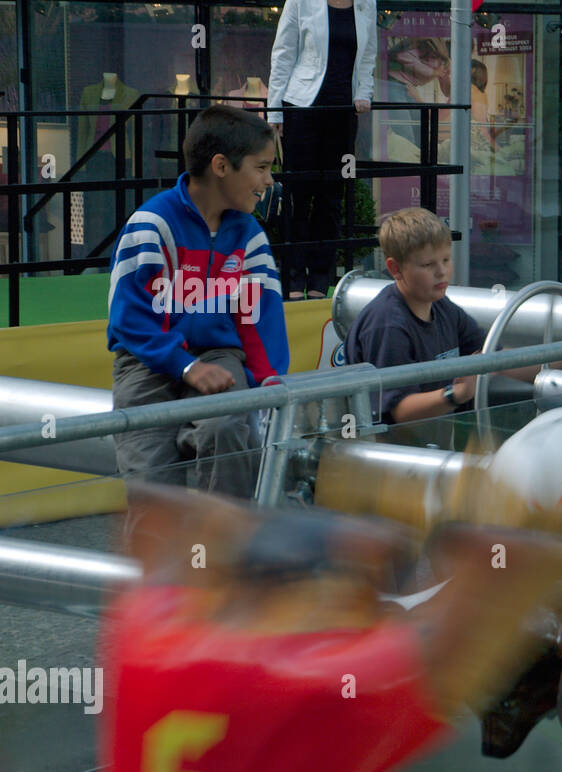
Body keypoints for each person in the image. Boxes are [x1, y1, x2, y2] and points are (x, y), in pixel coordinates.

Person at [100, 486, 562, 772]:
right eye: (362, 598)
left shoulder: (142, 632)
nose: (374, 616)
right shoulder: (314, 692)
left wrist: (256, 532)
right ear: (318, 598)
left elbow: (157, 520)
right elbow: (509, 573)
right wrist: (514, 511)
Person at [107, 104, 288, 505]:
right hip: (145, 360)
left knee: (227, 429)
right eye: (261, 168)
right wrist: (185, 367)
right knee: (151, 475)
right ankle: (163, 561)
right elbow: (129, 319)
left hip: (220, 354)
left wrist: (270, 383)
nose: (268, 180)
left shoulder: (250, 235)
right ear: (221, 166)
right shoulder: (151, 224)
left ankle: (223, 553)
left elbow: (258, 320)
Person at [268, 0, 378, 300]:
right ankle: (292, 281)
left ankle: (320, 281)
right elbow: (283, 55)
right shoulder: (301, 2)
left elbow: (368, 56)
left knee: (332, 196)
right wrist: (275, 113)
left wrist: (363, 93)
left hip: (344, 114)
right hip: (301, 108)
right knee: (298, 197)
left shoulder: (367, 4)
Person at [344, 208, 486, 425]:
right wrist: (457, 394)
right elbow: (398, 410)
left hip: (431, 446)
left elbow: (492, 354)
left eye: (446, 260)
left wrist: (551, 361)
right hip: (392, 453)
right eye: (428, 264)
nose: (442, 272)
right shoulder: (387, 325)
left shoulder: (442, 307)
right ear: (395, 268)